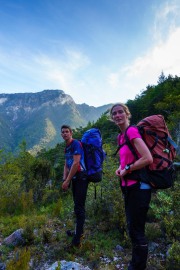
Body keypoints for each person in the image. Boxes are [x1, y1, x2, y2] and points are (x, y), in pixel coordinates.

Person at [110, 103, 153, 270]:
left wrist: (127, 169)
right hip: (128, 186)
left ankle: (137, 266)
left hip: (139, 187)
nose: (118, 115)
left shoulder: (132, 132)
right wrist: (121, 168)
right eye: (114, 113)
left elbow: (147, 158)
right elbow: (127, 160)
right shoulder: (120, 137)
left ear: (127, 114)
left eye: (121, 112)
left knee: (136, 230)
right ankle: (135, 264)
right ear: (112, 117)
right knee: (133, 228)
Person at [61, 124, 88, 248]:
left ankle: (77, 239)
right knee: (77, 206)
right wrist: (65, 179)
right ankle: (78, 232)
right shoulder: (66, 147)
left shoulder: (76, 144)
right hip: (74, 179)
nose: (65, 134)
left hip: (81, 178)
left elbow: (76, 163)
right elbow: (66, 163)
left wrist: (67, 181)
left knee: (79, 207)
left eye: (67, 131)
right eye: (63, 132)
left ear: (71, 132)